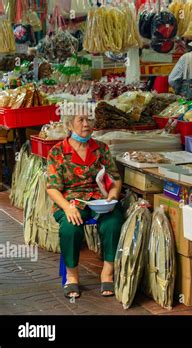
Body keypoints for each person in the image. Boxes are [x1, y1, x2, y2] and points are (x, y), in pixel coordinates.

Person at [46, 112, 123, 299]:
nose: (86, 124)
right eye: (81, 120)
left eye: (89, 120)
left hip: (99, 199)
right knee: (70, 228)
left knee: (113, 222)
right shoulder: (57, 152)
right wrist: (67, 207)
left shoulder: (101, 148)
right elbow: (52, 188)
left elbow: (115, 179)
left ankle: (107, 272)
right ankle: (72, 275)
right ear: (69, 125)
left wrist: (112, 197)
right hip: (71, 200)